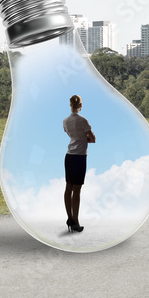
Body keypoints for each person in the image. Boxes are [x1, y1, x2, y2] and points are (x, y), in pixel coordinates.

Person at [63, 94, 95, 233]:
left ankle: (69, 218)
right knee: (77, 190)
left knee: (68, 187)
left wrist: (78, 139)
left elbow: (71, 136)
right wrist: (84, 140)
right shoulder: (83, 121)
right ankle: (76, 221)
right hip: (80, 157)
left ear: (70, 105)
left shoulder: (65, 121)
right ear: (80, 105)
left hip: (69, 156)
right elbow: (92, 139)